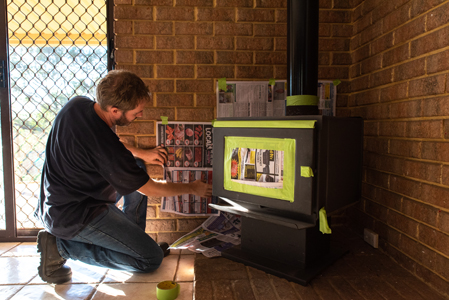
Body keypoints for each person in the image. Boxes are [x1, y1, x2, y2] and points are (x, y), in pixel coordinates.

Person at [34, 70, 212, 284]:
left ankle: (133, 241)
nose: (140, 116)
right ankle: (60, 247)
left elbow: (103, 146)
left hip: (61, 199)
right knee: (150, 259)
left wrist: (143, 153)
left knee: (136, 165)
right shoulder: (104, 145)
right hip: (74, 215)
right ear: (115, 110)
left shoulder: (78, 105)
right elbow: (150, 188)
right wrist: (192, 187)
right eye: (136, 113)